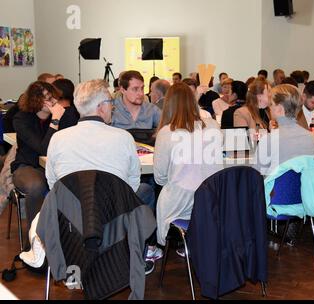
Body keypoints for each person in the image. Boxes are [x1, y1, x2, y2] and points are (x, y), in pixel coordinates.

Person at [45, 79, 158, 274]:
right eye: (110, 103)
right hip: (113, 212)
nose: (113, 107)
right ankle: (137, 253)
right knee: (146, 191)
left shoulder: (58, 138)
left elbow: (53, 182)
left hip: (72, 215)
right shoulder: (123, 138)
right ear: (100, 108)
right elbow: (132, 182)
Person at [153, 82, 223, 246]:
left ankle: (155, 247)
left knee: (159, 190)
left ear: (168, 104)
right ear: (193, 101)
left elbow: (160, 178)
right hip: (212, 203)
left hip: (180, 206)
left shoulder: (166, 132)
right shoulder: (213, 126)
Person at [11, 81, 66, 238]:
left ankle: (65, 237)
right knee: (36, 186)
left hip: (55, 166)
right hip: (27, 166)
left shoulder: (64, 115)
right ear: (36, 101)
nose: (53, 102)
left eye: (53, 97)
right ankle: (35, 239)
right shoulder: (21, 119)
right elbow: (42, 149)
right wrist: (55, 121)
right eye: (47, 98)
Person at [255, 84, 314, 175]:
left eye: (271, 105)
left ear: (279, 109)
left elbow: (256, 175)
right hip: (304, 188)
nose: (269, 108)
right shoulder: (311, 137)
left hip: (275, 188)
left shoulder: (269, 140)